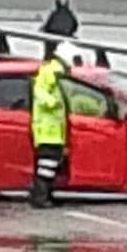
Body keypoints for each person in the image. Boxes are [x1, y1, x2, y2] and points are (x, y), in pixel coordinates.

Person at [30, 41, 81, 208]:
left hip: (54, 129)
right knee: (47, 164)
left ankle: (45, 195)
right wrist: (53, 103)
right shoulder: (51, 71)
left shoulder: (56, 71)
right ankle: (40, 197)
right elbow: (39, 92)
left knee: (51, 164)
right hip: (47, 128)